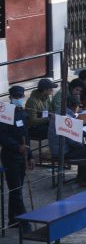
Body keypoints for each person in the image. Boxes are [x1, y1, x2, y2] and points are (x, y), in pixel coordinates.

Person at [0, 86, 33, 231]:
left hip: (22, 155)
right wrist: (16, 147)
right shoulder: (5, 114)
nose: (19, 98)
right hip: (10, 156)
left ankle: (13, 219)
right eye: (16, 96)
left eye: (21, 96)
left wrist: (30, 156)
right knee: (16, 189)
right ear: (11, 97)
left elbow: (27, 135)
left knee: (17, 188)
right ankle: (25, 223)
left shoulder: (23, 112)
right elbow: (3, 136)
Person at [47, 95, 86, 188]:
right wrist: (82, 145)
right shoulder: (66, 118)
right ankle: (84, 179)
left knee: (84, 149)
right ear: (75, 106)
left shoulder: (59, 112)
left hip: (59, 147)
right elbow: (73, 142)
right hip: (62, 151)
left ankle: (81, 177)